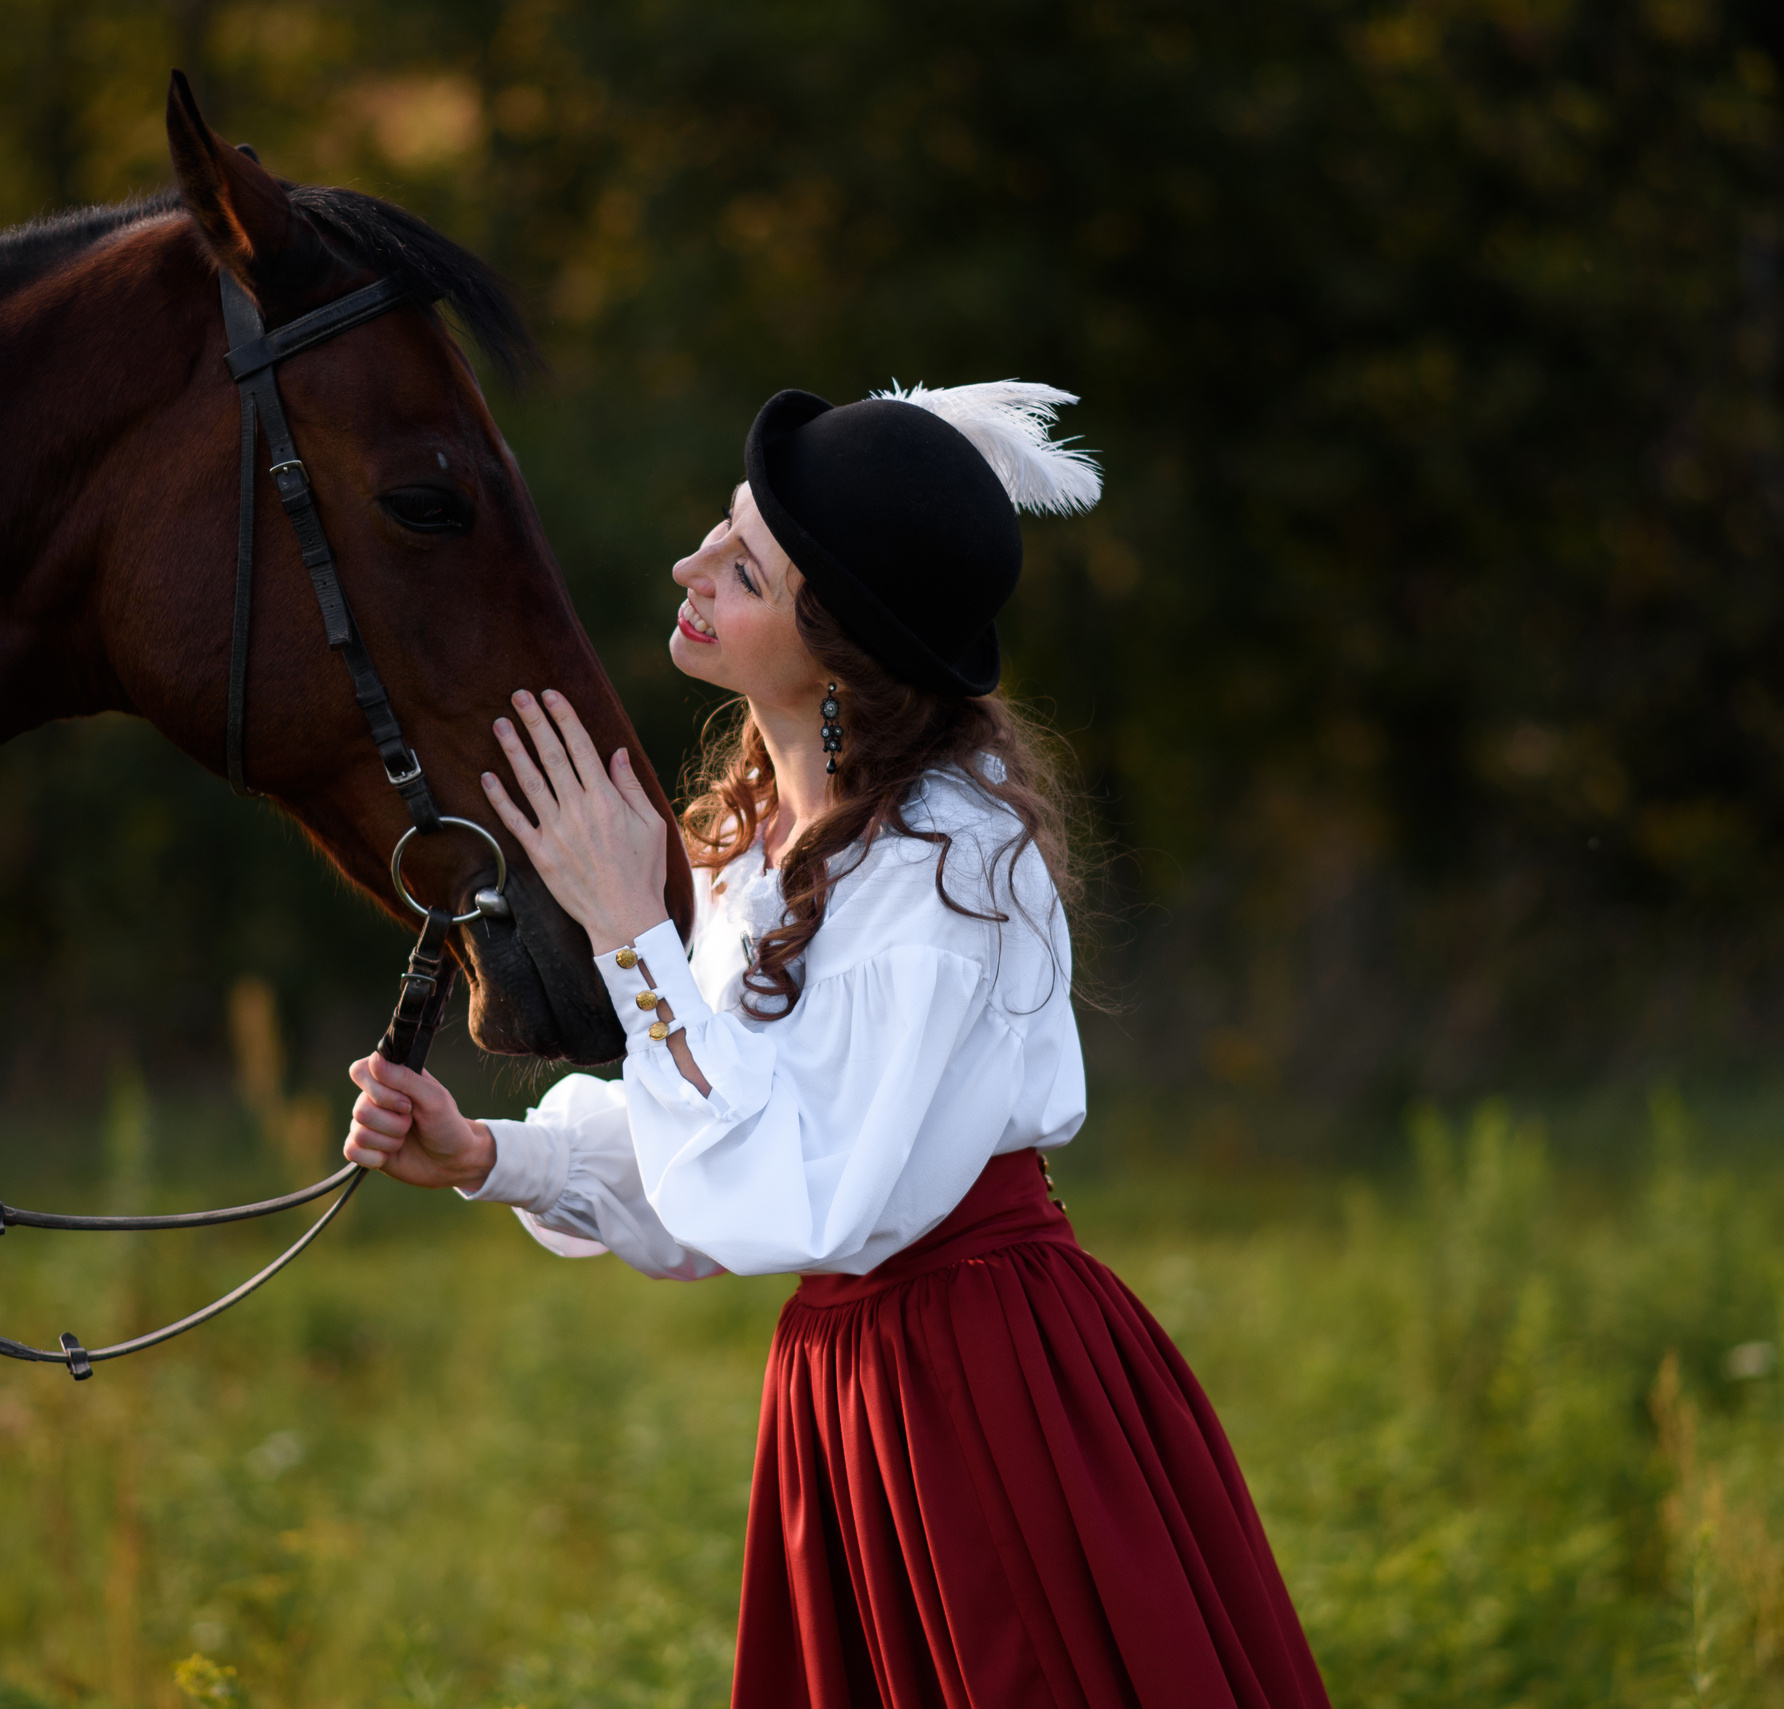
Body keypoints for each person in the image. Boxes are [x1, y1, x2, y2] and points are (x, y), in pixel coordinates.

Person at [342, 380, 1332, 1709]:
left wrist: (631, 928)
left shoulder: (940, 862)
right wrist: (489, 1153)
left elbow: (805, 1189)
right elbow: (735, 1147)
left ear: (837, 644)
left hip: (982, 1392)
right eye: (718, 530)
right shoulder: (762, 834)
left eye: (742, 564)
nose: (690, 566)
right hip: (852, 1399)